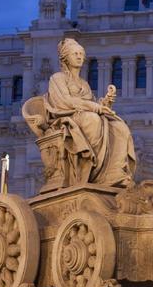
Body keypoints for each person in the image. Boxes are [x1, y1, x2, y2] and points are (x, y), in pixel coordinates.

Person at [42, 37, 136, 187]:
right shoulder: (57, 78)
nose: (79, 57)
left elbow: (92, 104)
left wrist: (105, 102)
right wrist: (96, 108)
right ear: (65, 58)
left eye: (81, 54)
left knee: (120, 127)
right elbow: (65, 102)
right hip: (67, 117)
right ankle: (91, 171)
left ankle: (113, 173)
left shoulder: (84, 84)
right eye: (75, 54)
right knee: (93, 120)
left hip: (85, 116)